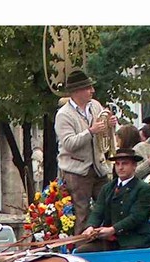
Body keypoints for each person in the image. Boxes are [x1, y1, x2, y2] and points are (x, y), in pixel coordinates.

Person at [55, 70, 115, 233]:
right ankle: (82, 250)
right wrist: (91, 131)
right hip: (77, 171)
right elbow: (69, 144)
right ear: (77, 91)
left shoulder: (95, 105)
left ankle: (106, 244)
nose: (92, 91)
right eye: (88, 88)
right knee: (82, 213)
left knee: (108, 207)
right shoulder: (64, 115)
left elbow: (104, 133)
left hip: (98, 166)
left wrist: (110, 124)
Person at [79, 148, 150, 252]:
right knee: (81, 252)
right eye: (117, 164)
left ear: (134, 166)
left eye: (125, 164)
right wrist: (90, 227)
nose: (120, 168)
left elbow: (137, 217)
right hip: (110, 239)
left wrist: (113, 229)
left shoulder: (144, 188)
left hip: (134, 239)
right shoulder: (107, 187)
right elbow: (98, 211)